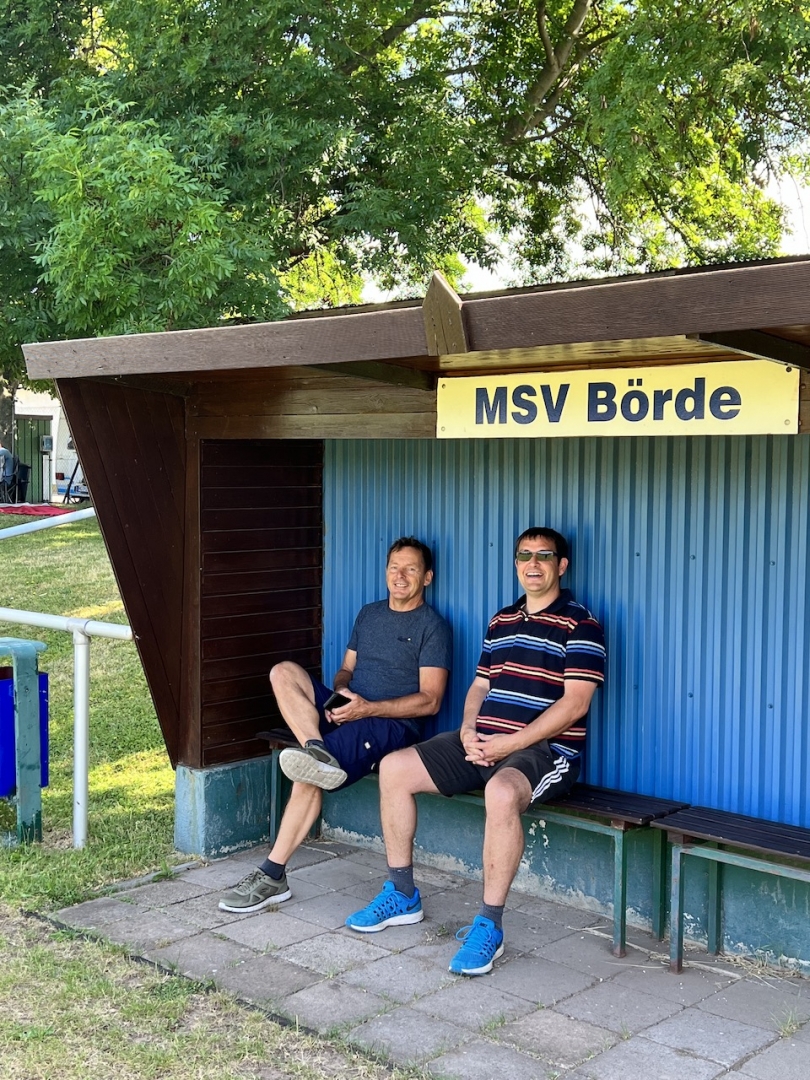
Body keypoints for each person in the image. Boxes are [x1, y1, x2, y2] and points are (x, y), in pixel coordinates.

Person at [346, 526, 606, 976]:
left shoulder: (581, 624)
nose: (533, 564)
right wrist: (468, 730)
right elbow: (480, 686)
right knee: (394, 768)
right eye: (524, 555)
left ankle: (489, 925)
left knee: (500, 794)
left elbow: (575, 705)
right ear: (516, 564)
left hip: (545, 752)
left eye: (544, 556)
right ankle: (402, 893)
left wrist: (511, 743)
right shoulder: (502, 620)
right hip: (484, 740)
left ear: (562, 566)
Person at [219, 536, 453, 913]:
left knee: (308, 775)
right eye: (394, 567)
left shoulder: (433, 627)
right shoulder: (369, 614)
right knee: (283, 672)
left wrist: (367, 708)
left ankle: (272, 875)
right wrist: (343, 691)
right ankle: (316, 747)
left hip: (388, 725)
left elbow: (430, 700)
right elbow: (345, 669)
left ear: (427, 577)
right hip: (348, 709)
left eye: (410, 569)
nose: (400, 575)